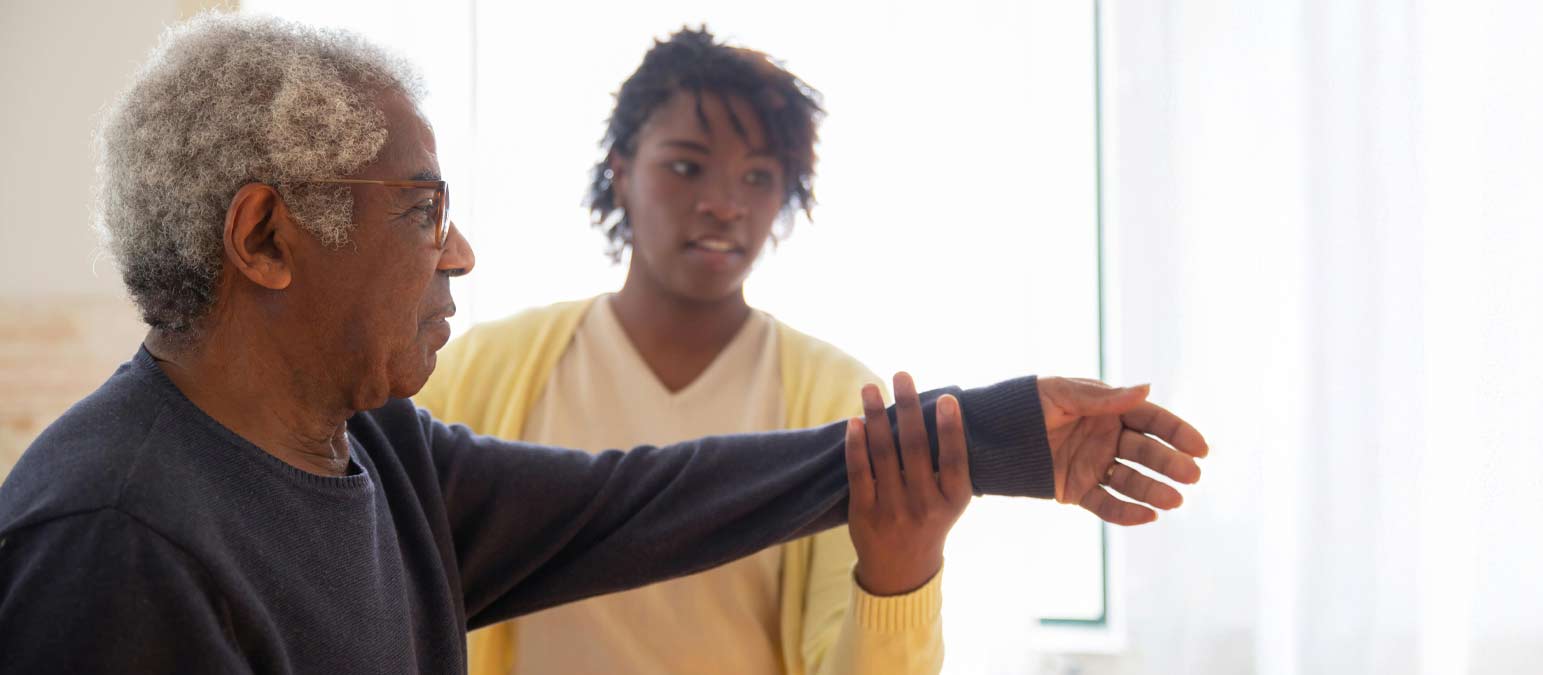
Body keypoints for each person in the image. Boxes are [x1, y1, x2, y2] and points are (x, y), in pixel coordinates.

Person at [0, 13, 1208, 674]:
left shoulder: (381, 450)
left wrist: (996, 438)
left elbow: (644, 502)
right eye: (421, 207)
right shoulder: (113, 543)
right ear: (266, 237)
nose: (459, 251)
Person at [415, 27, 1116, 675]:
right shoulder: (482, 370)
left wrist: (901, 570)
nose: (725, 203)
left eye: (757, 177)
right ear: (621, 171)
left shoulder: (842, 403)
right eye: (687, 167)